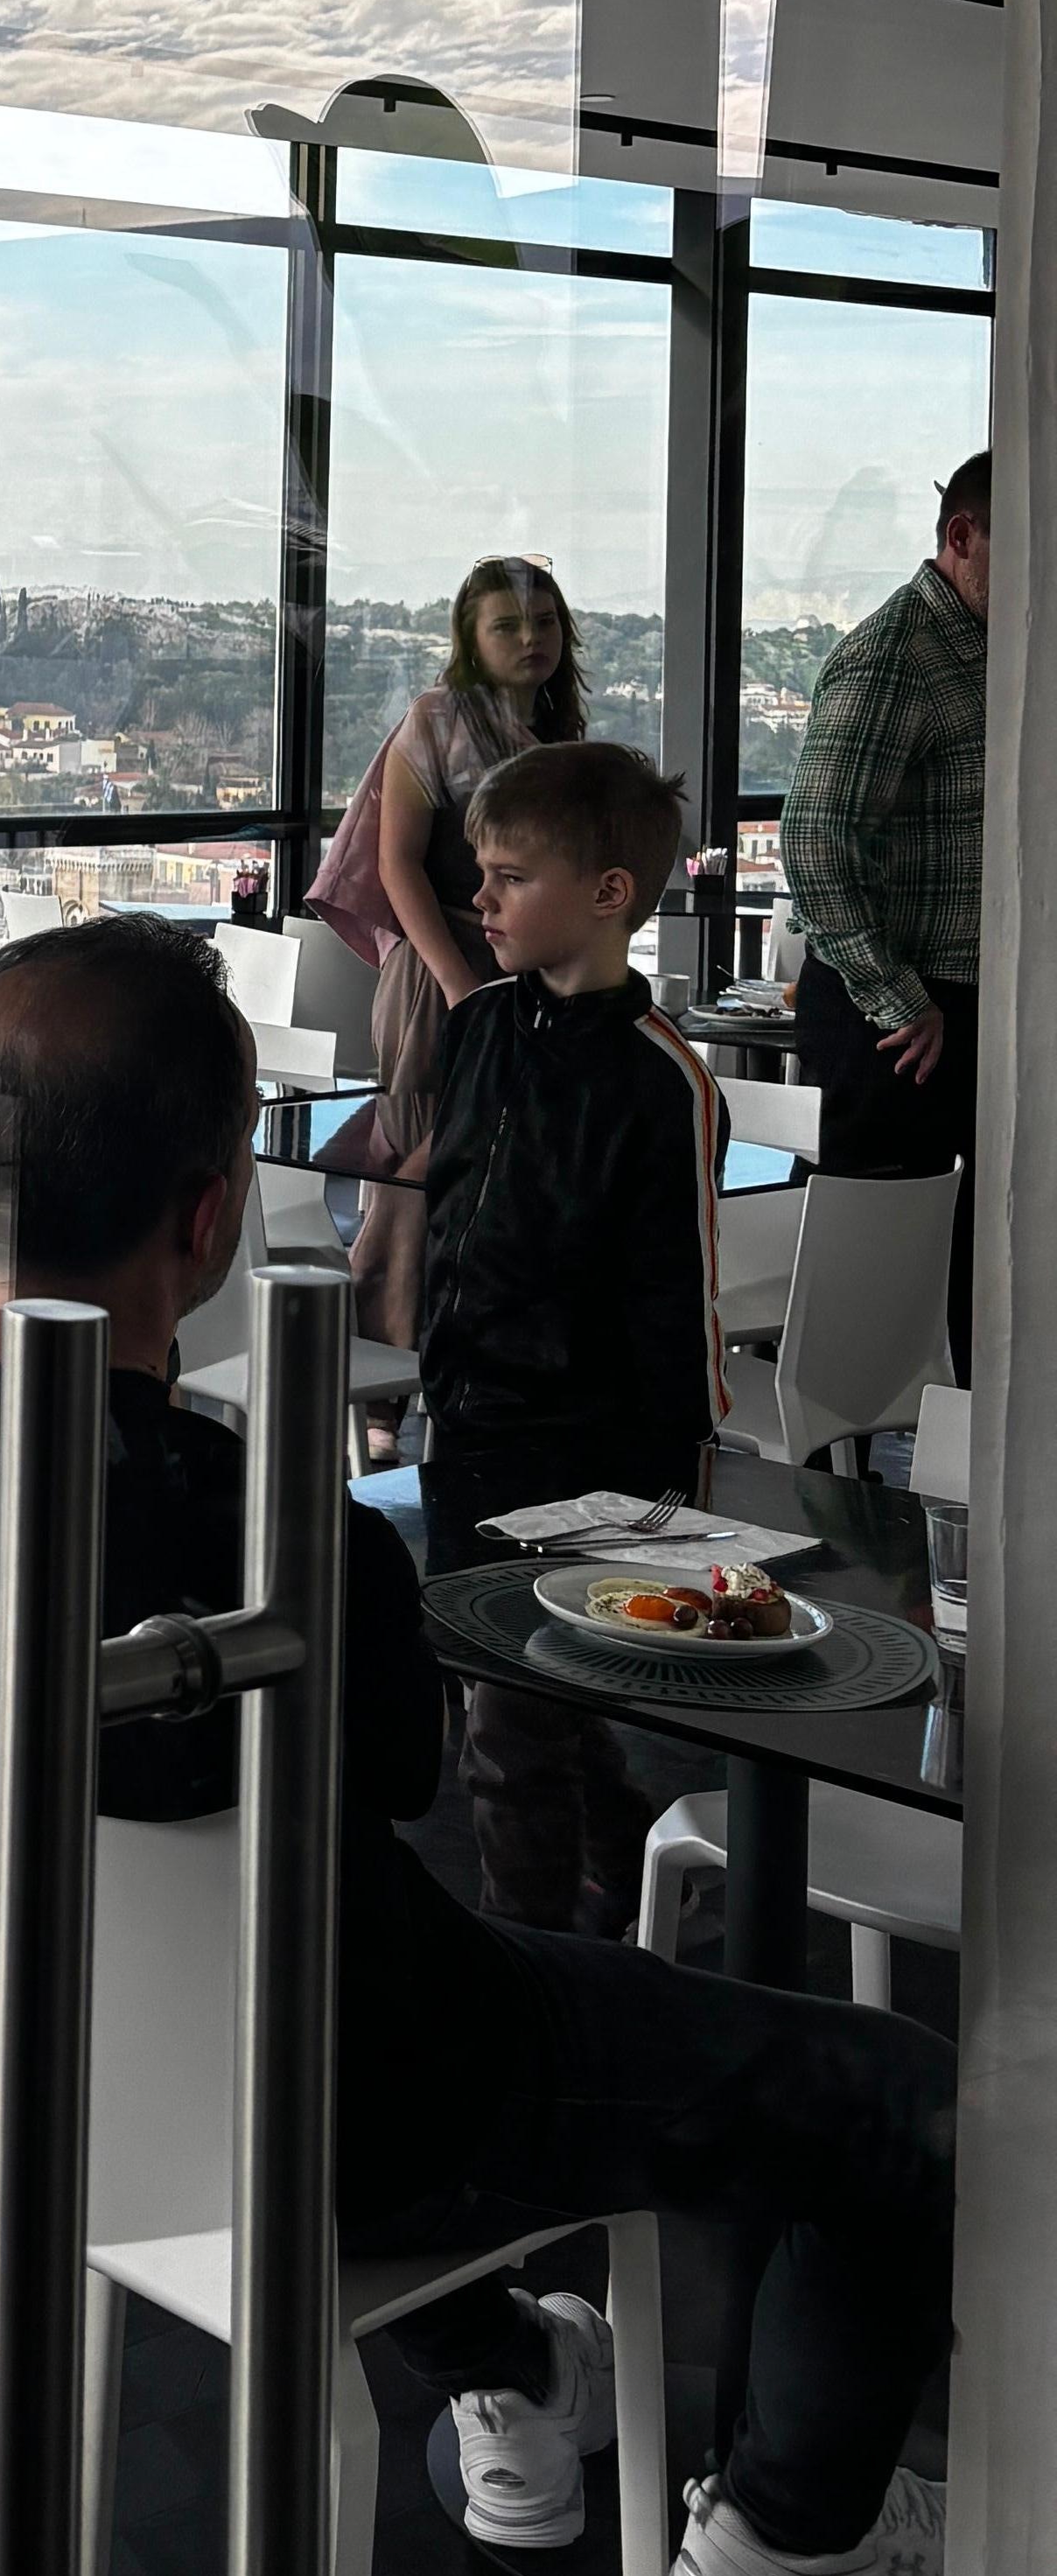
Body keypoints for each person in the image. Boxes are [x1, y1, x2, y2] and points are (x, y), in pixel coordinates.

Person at [0, 916, 950, 2576]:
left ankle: (518, 2370)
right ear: (209, 1216)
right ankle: (790, 2538)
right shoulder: (276, 1535)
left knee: (309, 2017)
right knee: (901, 2099)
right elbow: (398, 1775)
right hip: (344, 2113)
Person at [414, 738, 724, 1938]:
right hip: (466, 1420)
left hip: (581, 1449)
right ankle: (635, 1869)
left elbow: (677, 1295)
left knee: (508, 1729)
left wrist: (668, 1482)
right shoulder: (478, 1027)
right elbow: (453, 1203)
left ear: (608, 893)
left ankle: (527, 1961)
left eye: (509, 878)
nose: (479, 898)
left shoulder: (664, 1081)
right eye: (481, 872)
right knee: (521, 1692)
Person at [781, 449, 988, 1379]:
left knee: (980, 1265)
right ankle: (839, 1465)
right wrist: (900, 998)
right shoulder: (897, 653)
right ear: (962, 537)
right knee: (872, 1296)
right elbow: (815, 846)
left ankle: (975, 1449)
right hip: (901, 1016)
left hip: (961, 1006)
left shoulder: (998, 649)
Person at [345, 556, 586, 1348]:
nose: (530, 639)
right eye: (507, 626)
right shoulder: (435, 720)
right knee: (421, 1167)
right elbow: (398, 864)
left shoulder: (559, 734)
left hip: (526, 973)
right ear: (471, 639)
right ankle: (388, 1363)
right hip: (438, 969)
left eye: (543, 623)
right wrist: (457, 985)